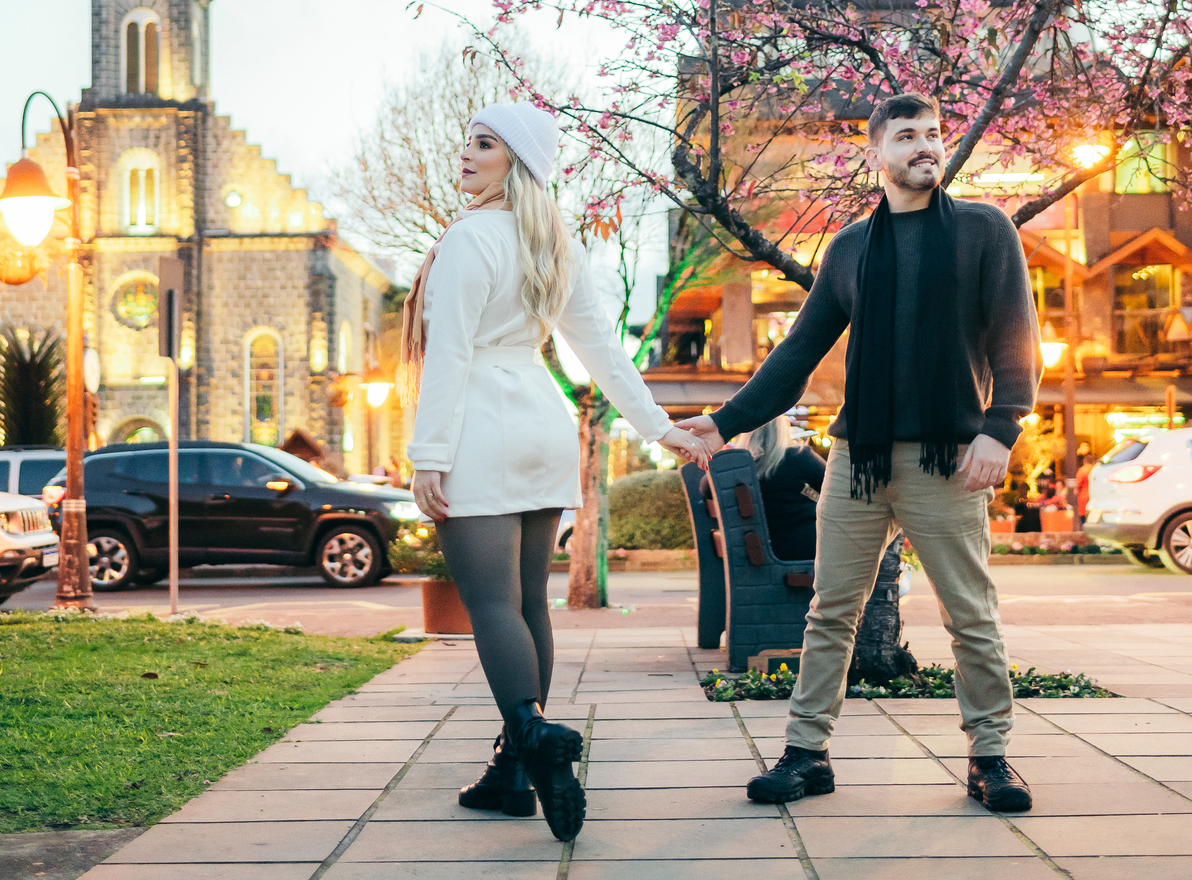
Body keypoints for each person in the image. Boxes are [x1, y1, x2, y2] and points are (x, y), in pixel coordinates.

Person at [687, 93, 1041, 815]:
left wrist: (999, 428)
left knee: (970, 613)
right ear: (876, 153)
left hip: (951, 455)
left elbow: (1016, 338)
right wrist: (723, 423)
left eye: (934, 135)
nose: (926, 146)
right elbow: (796, 355)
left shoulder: (984, 230)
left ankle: (990, 758)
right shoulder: (850, 248)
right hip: (859, 459)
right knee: (830, 611)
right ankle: (806, 752)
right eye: (908, 136)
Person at [405, 101, 707, 842]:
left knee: (490, 605)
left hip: (478, 425)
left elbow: (447, 356)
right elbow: (603, 351)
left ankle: (535, 737)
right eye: (467, 141)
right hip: (541, 423)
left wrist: (428, 456)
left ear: (516, 160)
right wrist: (659, 427)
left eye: (483, 144)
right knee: (531, 603)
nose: (466, 155)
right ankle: (513, 772)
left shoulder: (470, 239)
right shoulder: (551, 243)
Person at [746, 416, 826, 561]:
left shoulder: (743, 467)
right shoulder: (798, 457)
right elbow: (835, 485)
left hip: (765, 548)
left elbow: (705, 488)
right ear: (782, 430)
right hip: (806, 548)